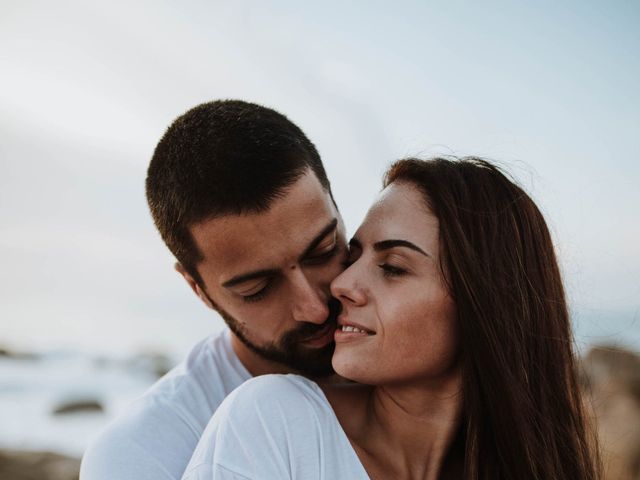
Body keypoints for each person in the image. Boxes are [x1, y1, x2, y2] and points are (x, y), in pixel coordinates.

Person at [182, 157, 600, 480]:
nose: (342, 283)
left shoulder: (528, 464)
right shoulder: (274, 421)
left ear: (485, 304)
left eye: (393, 267)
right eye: (354, 253)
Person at [80, 100, 347, 480]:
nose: (315, 308)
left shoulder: (428, 367)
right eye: (257, 288)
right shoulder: (143, 454)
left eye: (323, 251)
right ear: (198, 288)